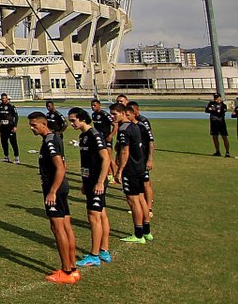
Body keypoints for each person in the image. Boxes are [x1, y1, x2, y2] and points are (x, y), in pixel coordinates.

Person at [27, 111, 79, 284]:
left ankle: (66, 271)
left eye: (34, 125)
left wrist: (52, 191)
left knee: (58, 229)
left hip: (55, 189)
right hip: (61, 187)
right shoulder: (55, 139)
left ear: (43, 124)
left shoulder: (50, 142)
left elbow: (60, 167)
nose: (31, 128)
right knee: (66, 227)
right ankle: (72, 268)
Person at [67, 108, 112, 267]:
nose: (71, 123)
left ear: (82, 119)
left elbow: (105, 159)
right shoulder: (83, 136)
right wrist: (83, 181)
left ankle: (94, 255)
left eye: (73, 120)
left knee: (94, 216)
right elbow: (87, 161)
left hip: (97, 181)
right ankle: (104, 250)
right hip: (90, 180)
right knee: (102, 214)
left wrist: (100, 182)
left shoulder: (94, 135)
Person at [113, 104, 150, 244]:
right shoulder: (136, 126)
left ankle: (138, 234)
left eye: (115, 114)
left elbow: (124, 151)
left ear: (123, 113)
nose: (112, 116)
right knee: (141, 199)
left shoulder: (124, 129)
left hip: (131, 170)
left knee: (133, 201)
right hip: (140, 167)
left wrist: (119, 171)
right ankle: (146, 231)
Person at [129, 101, 156, 218]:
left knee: (145, 183)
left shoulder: (143, 122)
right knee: (139, 185)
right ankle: (140, 207)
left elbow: (151, 141)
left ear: (135, 110)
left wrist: (150, 159)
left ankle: (148, 208)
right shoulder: (128, 123)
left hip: (143, 159)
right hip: (134, 160)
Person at [0, 94, 20, 163]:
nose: (3, 99)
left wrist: (15, 126)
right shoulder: (0, 106)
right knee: (4, 142)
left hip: (10, 127)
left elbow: (16, 117)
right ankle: (6, 157)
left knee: (13, 142)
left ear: (7, 98)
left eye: (4, 98)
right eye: (2, 98)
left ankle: (17, 158)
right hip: (3, 127)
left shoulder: (11, 106)